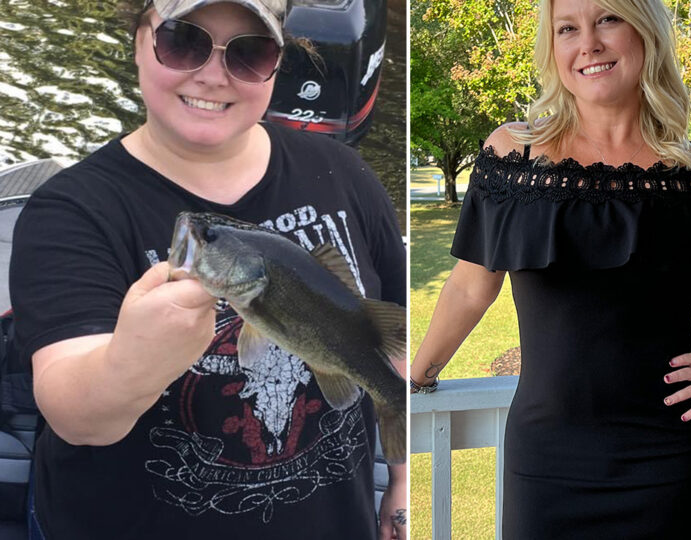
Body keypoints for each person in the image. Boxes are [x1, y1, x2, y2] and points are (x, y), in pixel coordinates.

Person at [410, 0, 691, 537]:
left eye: (608, 20)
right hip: (547, 465)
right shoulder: (514, 157)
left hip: (675, 462)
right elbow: (468, 289)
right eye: (567, 28)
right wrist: (416, 374)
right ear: (552, 49)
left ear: (646, 33)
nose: (588, 44)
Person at [9, 1, 407, 539]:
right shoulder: (72, 212)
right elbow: (77, 416)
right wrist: (131, 364)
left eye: (249, 52)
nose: (213, 74)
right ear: (140, 38)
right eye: (183, 41)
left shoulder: (343, 172)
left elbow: (395, 346)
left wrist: (401, 483)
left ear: (277, 62)